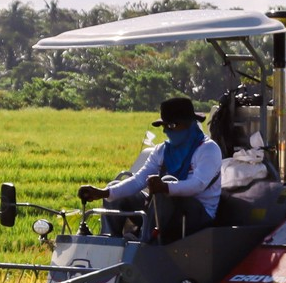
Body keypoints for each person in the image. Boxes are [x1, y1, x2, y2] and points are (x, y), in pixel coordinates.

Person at [79, 96, 222, 242]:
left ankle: (145, 242)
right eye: (164, 126)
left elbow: (197, 185)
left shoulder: (208, 149)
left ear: (189, 123)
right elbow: (138, 180)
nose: (166, 131)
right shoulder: (162, 150)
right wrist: (104, 192)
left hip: (197, 217)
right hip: (162, 211)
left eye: (171, 126)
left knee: (166, 184)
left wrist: (165, 187)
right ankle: (109, 241)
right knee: (114, 188)